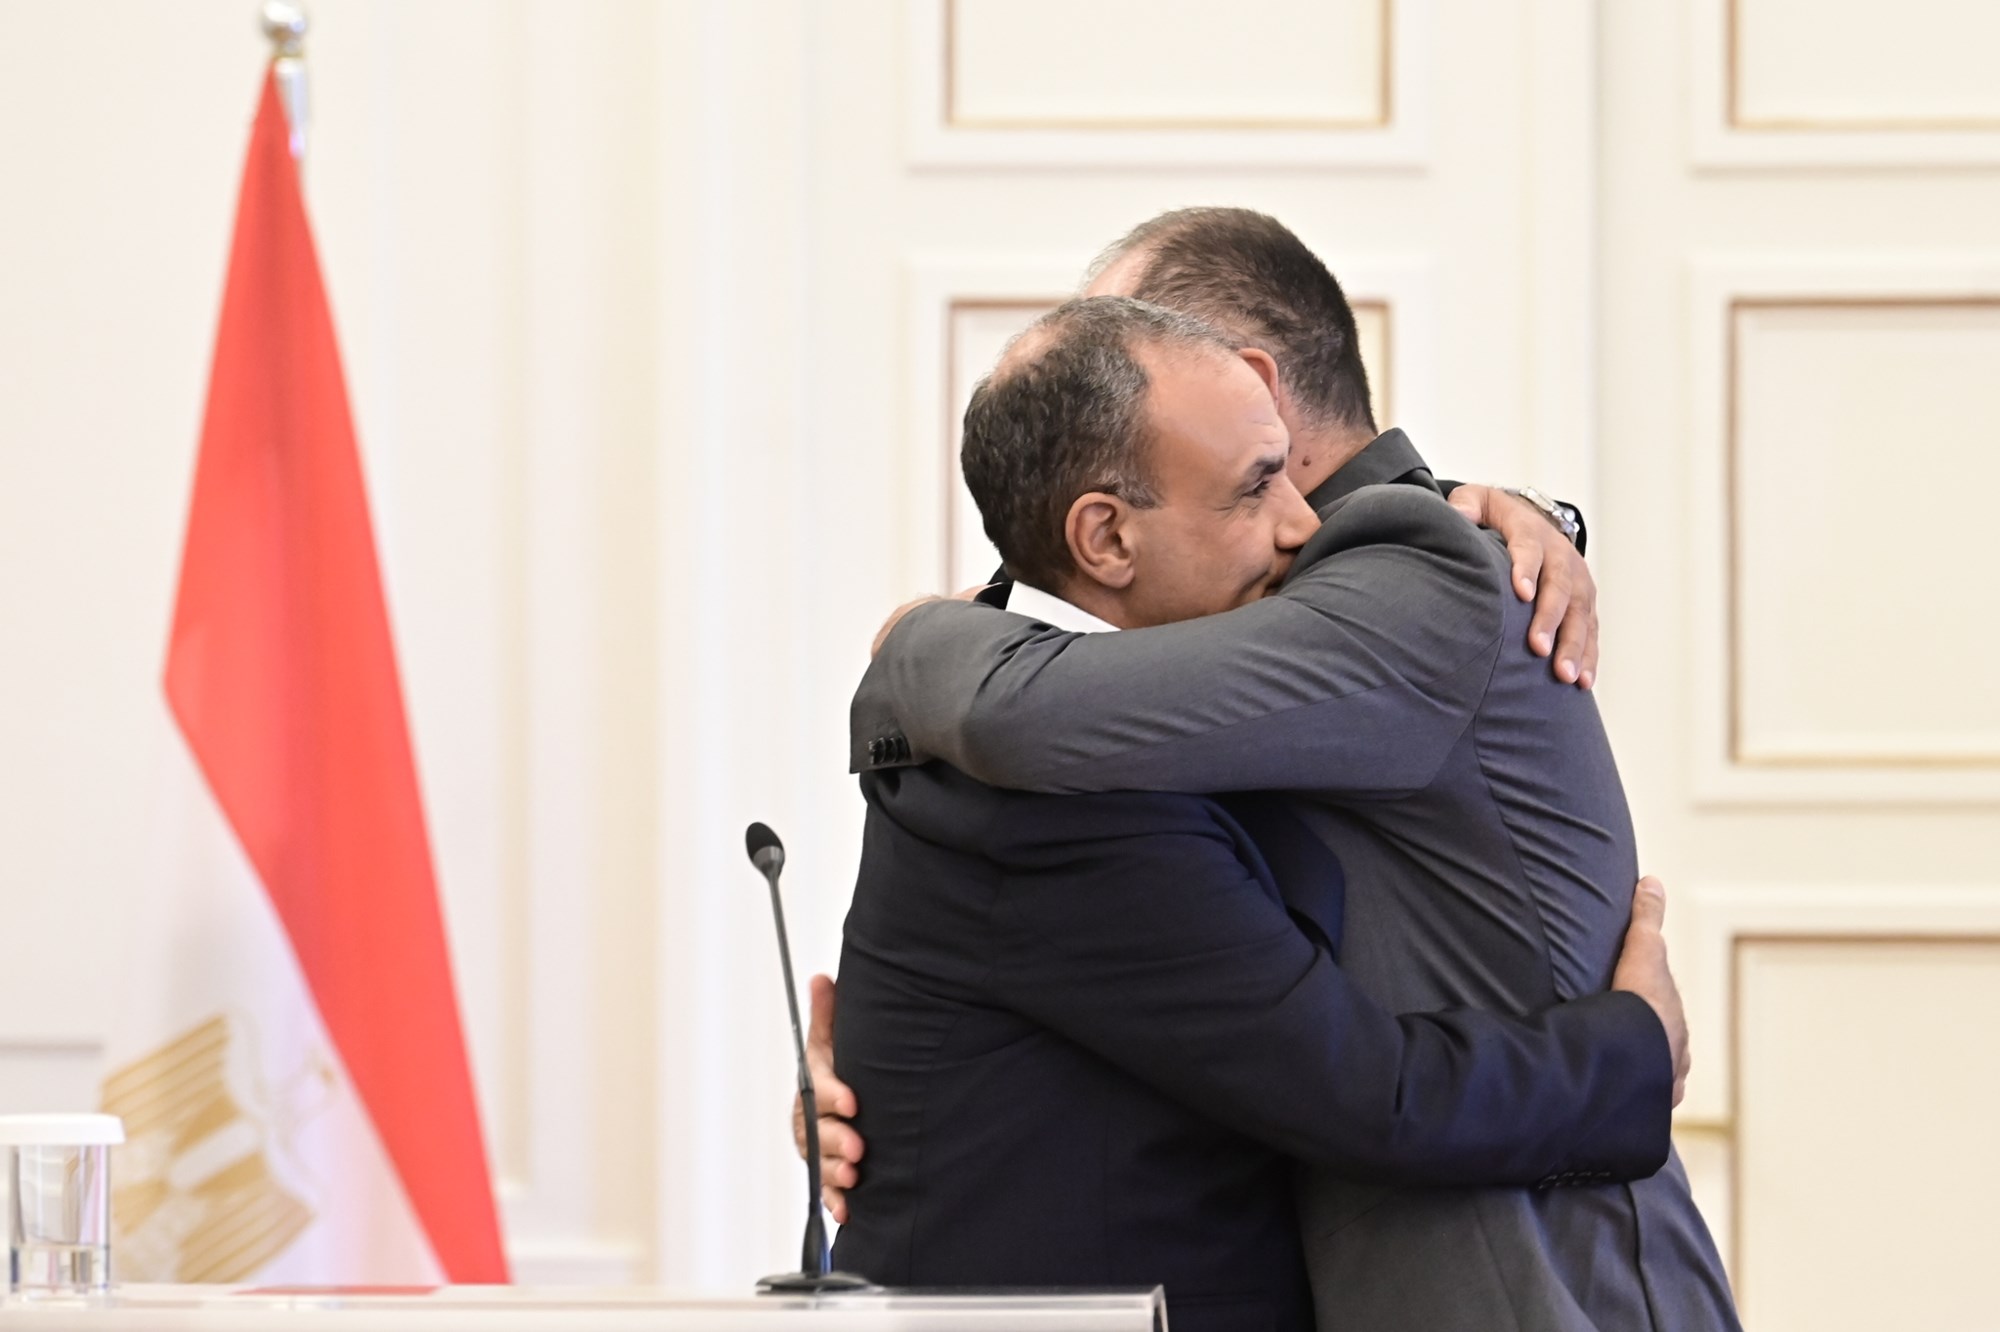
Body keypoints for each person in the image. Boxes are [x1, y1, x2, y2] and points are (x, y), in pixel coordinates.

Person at [852, 222, 1742, 1330]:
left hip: (1544, 1279)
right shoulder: (1196, 653)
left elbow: (1012, 711)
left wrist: (914, 641)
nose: (1288, 520)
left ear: (1252, 375)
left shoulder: (1415, 582)